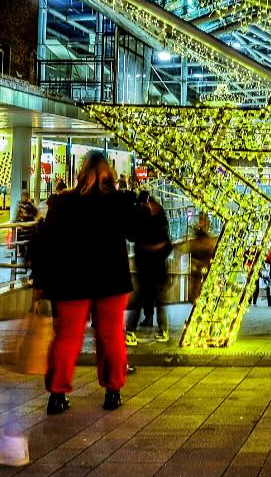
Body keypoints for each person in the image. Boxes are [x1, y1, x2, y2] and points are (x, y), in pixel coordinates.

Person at [33, 151, 139, 414]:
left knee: (67, 337)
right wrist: (128, 201)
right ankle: (112, 391)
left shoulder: (62, 202)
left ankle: (57, 394)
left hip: (71, 280)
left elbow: (47, 244)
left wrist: (41, 283)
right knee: (112, 335)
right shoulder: (117, 202)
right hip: (110, 279)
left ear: (81, 172)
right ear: (108, 173)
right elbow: (135, 232)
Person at [127, 192, 172, 345]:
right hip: (149, 266)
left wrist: (151, 248)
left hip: (154, 266)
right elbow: (133, 236)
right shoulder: (147, 217)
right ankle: (135, 329)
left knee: (156, 299)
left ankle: (159, 329)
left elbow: (166, 245)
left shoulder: (157, 219)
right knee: (146, 299)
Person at [187, 211, 217, 304]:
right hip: (199, 268)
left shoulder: (203, 237)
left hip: (203, 267)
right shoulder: (199, 235)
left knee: (198, 291)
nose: (201, 222)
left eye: (202, 219)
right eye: (200, 219)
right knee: (196, 291)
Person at [15, 191, 40, 264]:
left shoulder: (21, 204)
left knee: (24, 241)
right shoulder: (29, 204)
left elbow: (15, 216)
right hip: (27, 229)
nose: (25, 198)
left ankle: (24, 256)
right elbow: (37, 212)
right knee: (28, 242)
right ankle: (25, 256)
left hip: (25, 229)